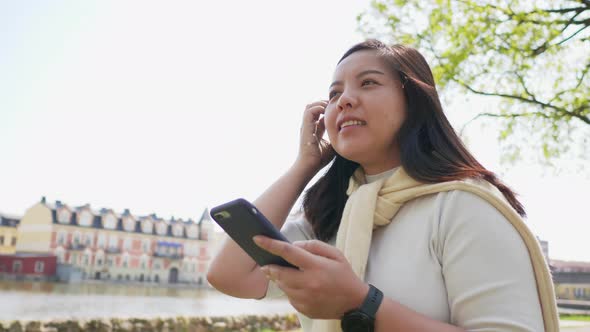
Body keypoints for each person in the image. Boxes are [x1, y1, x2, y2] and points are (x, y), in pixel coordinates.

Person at [207, 39, 558, 332]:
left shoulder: (463, 206)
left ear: (414, 103)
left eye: (369, 82)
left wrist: (362, 303)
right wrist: (304, 166)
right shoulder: (328, 217)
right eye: (333, 93)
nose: (343, 99)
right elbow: (230, 275)